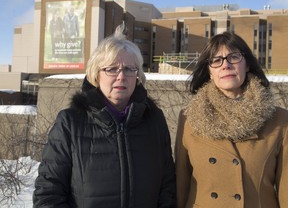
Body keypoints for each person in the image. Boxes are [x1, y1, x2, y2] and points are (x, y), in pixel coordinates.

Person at [33, 24, 176, 207]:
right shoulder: (70, 122)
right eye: (111, 69)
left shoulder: (154, 120)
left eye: (129, 69)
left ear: (138, 75)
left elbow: (167, 187)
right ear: (96, 74)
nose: (121, 76)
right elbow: (48, 193)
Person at [175, 31, 288, 208]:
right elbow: (181, 184)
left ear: (247, 65)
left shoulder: (280, 120)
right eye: (216, 60)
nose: (225, 65)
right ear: (209, 71)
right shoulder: (189, 118)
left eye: (233, 57)